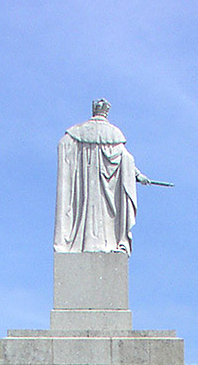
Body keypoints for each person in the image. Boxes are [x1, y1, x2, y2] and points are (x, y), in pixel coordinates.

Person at [54, 99, 150, 255]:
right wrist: (138, 175)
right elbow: (125, 158)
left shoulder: (76, 132)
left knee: (89, 212)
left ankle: (87, 243)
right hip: (104, 191)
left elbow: (63, 144)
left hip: (84, 187)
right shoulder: (113, 134)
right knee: (103, 218)